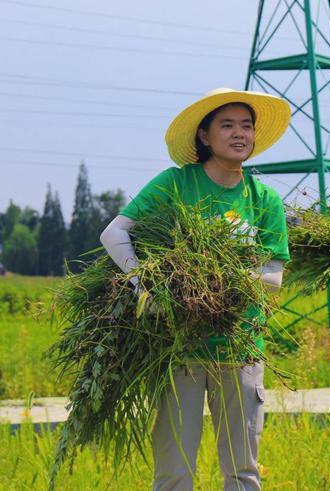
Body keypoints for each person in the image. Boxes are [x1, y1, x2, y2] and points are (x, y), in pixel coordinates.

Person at [99, 88, 291, 491]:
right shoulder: (176, 184)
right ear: (204, 136)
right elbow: (114, 233)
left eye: (246, 126)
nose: (239, 134)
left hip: (240, 347)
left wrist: (216, 279)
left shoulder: (264, 199)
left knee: (243, 472)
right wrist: (144, 284)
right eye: (227, 125)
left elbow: (273, 277)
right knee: (174, 471)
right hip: (180, 347)